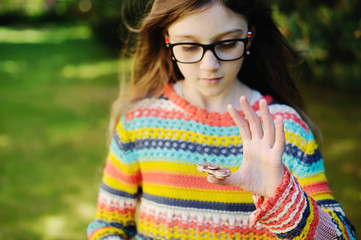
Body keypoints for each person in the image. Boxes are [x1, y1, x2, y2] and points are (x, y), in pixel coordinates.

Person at [87, 0, 356, 239]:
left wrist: (282, 196)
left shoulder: (285, 130)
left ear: (249, 38)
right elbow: (109, 225)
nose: (209, 65)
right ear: (167, 39)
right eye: (189, 46)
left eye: (227, 44)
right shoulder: (139, 122)